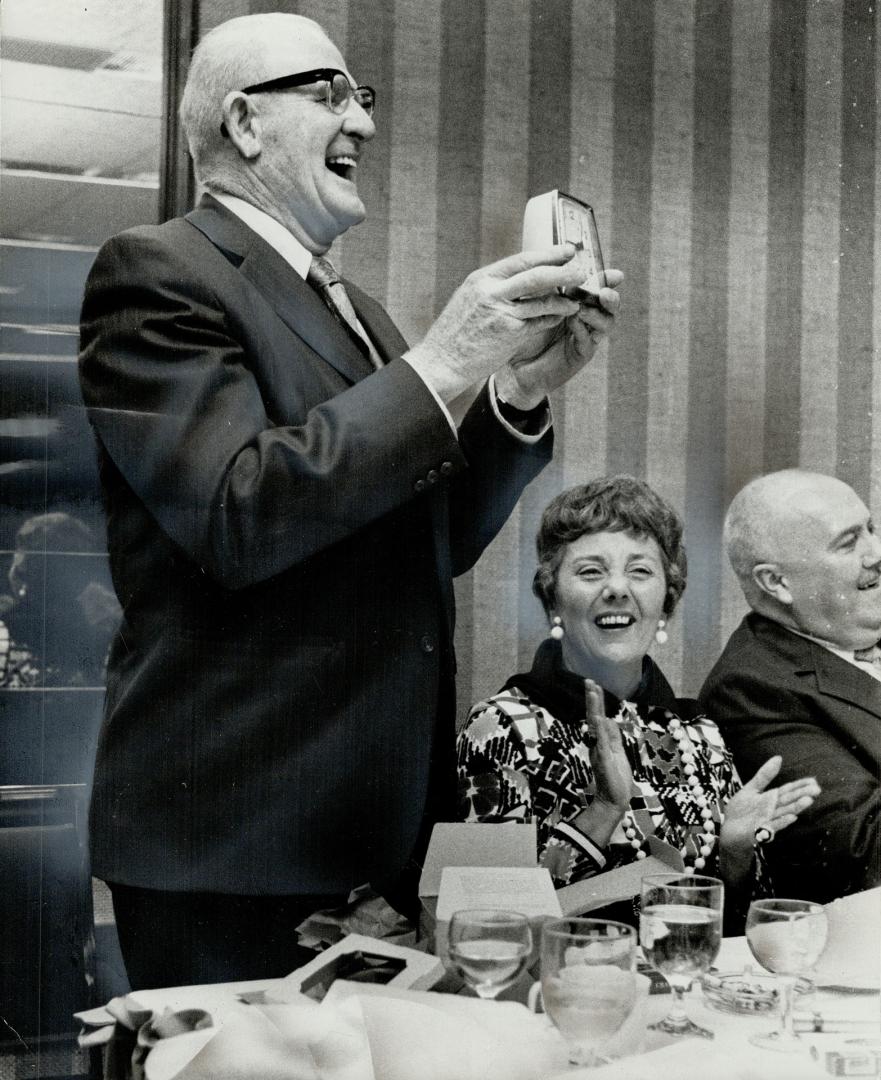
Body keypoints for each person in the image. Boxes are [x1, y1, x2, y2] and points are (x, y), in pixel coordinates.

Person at [78, 13, 623, 989]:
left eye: (360, 99)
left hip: (371, 838)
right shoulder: (155, 271)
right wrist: (446, 359)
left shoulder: (359, 312)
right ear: (244, 124)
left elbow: (426, 542)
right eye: (329, 94)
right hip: (237, 846)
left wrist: (514, 394)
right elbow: (236, 516)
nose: (362, 124)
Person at [457, 476, 819, 923]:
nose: (617, 588)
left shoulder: (700, 735)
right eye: (591, 571)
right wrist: (603, 812)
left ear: (666, 603)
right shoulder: (501, 727)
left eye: (640, 571)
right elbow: (487, 920)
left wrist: (735, 849)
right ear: (553, 599)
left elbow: (745, 930)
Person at [700, 469, 881, 903]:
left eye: (871, 529)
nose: (875, 553)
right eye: (848, 542)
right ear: (777, 583)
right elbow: (864, 852)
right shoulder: (752, 688)